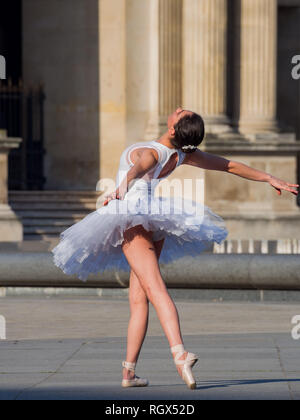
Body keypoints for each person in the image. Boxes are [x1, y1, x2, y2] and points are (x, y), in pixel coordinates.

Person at [52, 107, 298, 390]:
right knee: (138, 298)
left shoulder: (154, 151)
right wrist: (269, 178)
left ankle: (180, 354)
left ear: (172, 130)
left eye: (181, 112)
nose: (178, 108)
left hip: (132, 220)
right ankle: (129, 373)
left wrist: (121, 185)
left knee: (155, 290)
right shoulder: (184, 154)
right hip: (152, 221)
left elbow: (139, 166)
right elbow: (229, 165)